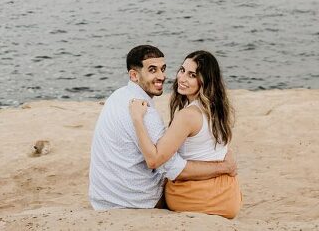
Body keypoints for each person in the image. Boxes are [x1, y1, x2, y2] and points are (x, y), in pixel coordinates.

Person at [88, 45, 237, 210]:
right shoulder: (214, 109)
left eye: (163, 69)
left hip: (101, 196)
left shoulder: (117, 96)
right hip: (134, 200)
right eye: (153, 70)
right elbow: (168, 165)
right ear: (134, 75)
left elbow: (162, 160)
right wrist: (223, 167)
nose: (162, 76)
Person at [129, 50, 242, 218]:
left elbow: (154, 160)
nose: (182, 78)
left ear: (204, 81)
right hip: (229, 196)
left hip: (196, 196)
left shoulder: (188, 116)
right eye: (182, 70)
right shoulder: (219, 109)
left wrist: (137, 118)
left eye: (191, 75)